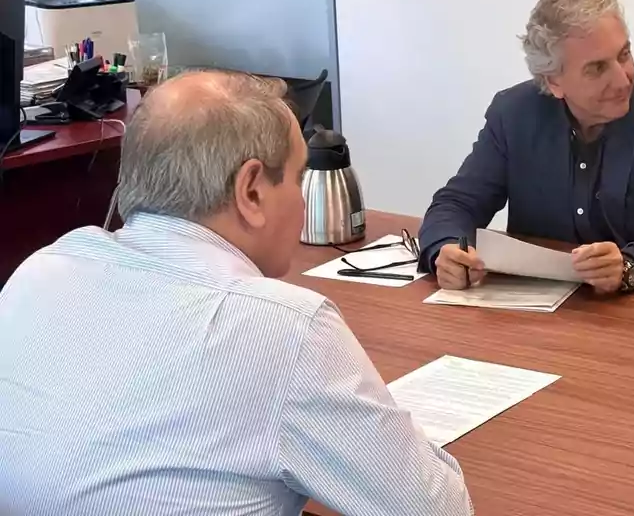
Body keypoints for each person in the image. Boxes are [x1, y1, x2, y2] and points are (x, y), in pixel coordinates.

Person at [0, 71, 473, 516]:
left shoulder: (41, 272)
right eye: (296, 176)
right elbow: (435, 508)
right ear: (251, 191)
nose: (301, 199)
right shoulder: (283, 327)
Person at [419, 0, 634, 294]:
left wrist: (631, 265)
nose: (621, 79)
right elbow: (457, 203)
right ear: (554, 82)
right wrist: (445, 250)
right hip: (534, 306)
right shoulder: (513, 114)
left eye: (624, 55)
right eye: (597, 68)